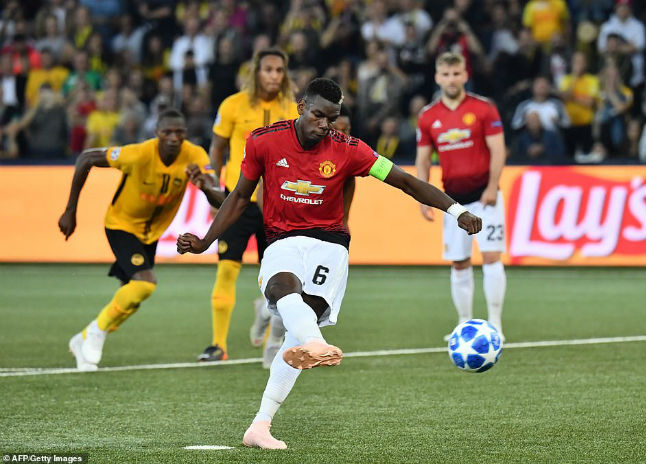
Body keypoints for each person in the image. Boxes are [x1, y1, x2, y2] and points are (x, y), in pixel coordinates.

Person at [177, 78, 482, 449]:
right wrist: (206, 240)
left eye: (332, 119)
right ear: (301, 107)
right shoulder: (263, 141)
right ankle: (316, 341)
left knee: (296, 333)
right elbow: (240, 196)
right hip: (282, 239)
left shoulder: (350, 149)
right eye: (318, 116)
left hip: (330, 245)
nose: (325, 125)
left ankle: (260, 425)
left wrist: (457, 210)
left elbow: (404, 181)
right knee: (282, 288)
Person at [59, 109, 223, 372]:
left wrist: (205, 185)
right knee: (145, 283)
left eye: (179, 132)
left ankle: (83, 340)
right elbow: (86, 157)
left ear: (185, 134)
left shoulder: (195, 156)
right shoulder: (137, 154)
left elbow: (221, 199)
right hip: (121, 225)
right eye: (167, 132)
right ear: (157, 133)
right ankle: (95, 332)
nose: (174, 138)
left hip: (151, 234)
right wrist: (70, 210)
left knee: (132, 298)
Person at [197, 48, 299, 366]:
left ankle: (272, 343)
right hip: (237, 200)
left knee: (277, 276)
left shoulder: (292, 108)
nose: (274, 76)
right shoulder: (232, 105)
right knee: (226, 269)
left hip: (278, 204)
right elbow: (216, 148)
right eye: (268, 69)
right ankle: (218, 344)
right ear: (256, 72)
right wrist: (214, 191)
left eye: (279, 70)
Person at [415, 52, 507, 341]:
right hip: (452, 201)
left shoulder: (483, 108)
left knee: (491, 257)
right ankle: (464, 323)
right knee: (459, 262)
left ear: (465, 75)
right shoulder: (428, 116)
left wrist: (492, 186)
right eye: (446, 74)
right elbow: (423, 160)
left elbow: (498, 149)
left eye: (456, 73)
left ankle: (495, 324)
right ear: (437, 77)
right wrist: (423, 196)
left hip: (485, 196)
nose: (451, 79)